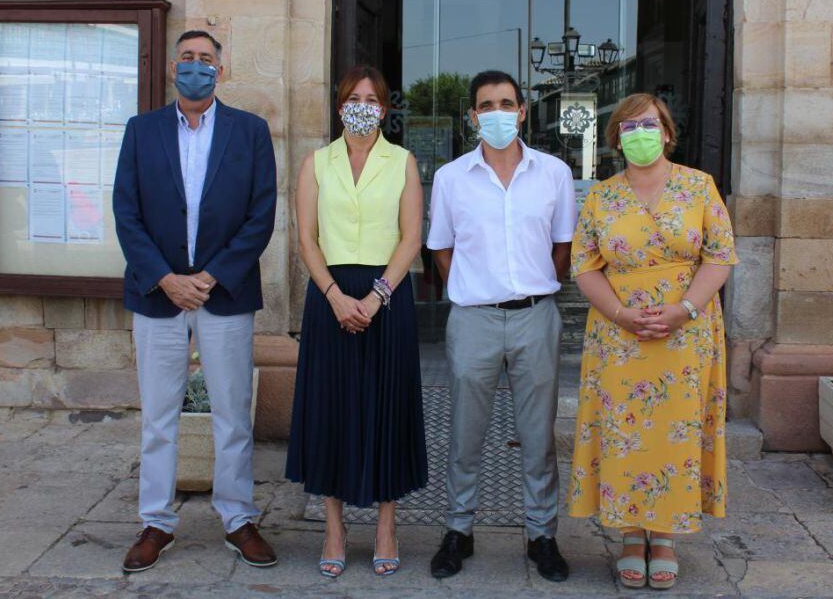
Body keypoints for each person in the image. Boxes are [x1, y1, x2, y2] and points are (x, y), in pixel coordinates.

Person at [113, 30, 278, 572]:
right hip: (158, 295)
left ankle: (238, 518)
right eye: (187, 58)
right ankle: (157, 522)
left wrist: (209, 276)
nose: (196, 67)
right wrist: (165, 277)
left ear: (221, 72)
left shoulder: (250, 132)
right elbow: (126, 212)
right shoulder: (141, 131)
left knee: (232, 413)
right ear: (171, 67)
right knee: (159, 417)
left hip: (223, 293)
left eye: (206, 59)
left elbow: (261, 214)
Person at [566, 93, 737, 590]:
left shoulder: (699, 187)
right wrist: (621, 314)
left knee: (676, 430)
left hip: (686, 332)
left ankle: (664, 535)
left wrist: (684, 309)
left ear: (666, 131)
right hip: (619, 335)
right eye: (627, 126)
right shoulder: (601, 196)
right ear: (617, 138)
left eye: (648, 123)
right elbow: (584, 266)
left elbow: (720, 256)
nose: (639, 133)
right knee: (624, 431)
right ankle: (629, 535)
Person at [426, 70, 577, 583]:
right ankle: (457, 529)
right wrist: (476, 290)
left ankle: (542, 535)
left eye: (506, 103)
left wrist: (532, 289)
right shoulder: (451, 179)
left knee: (539, 435)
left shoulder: (554, 173)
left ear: (522, 111)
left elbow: (562, 247)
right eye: (486, 105)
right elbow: (441, 250)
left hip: (536, 317)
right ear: (473, 116)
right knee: (466, 433)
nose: (497, 112)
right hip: (474, 321)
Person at [286, 65, 427, 578]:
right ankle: (334, 526)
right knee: (333, 407)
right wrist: (335, 296)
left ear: (385, 108)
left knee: (385, 405)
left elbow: (411, 237)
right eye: (353, 97)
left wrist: (374, 298)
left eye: (372, 98)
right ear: (340, 105)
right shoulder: (316, 163)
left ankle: (387, 525)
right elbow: (306, 238)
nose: (362, 105)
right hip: (330, 299)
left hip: (386, 300)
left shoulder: (403, 162)